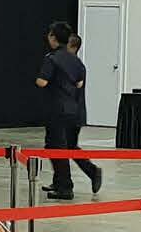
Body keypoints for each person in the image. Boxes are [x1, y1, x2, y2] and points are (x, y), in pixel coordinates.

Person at [38, 25, 103, 200]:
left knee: (56, 147)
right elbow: (79, 84)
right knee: (69, 146)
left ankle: (65, 187)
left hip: (58, 111)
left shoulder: (52, 59)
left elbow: (42, 82)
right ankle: (83, 173)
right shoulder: (77, 62)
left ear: (53, 38)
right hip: (76, 111)